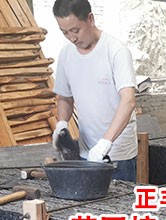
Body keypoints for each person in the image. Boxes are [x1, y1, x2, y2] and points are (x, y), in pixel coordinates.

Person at [52, 0, 137, 182]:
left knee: (119, 199)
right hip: (87, 153)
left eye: (75, 30)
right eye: (65, 32)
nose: (72, 38)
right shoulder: (66, 54)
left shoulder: (116, 51)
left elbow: (128, 101)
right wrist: (62, 124)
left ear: (90, 19)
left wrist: (105, 143)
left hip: (118, 154)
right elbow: (65, 97)